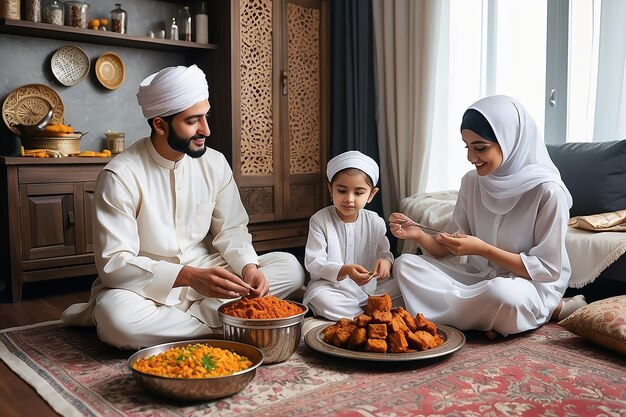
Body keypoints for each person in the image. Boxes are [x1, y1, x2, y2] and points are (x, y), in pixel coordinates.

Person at [61, 65, 305, 349]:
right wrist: (188, 277)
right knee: (117, 319)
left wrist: (249, 267)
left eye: (205, 116)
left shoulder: (214, 163)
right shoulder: (120, 176)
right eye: (193, 121)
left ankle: (182, 325)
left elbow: (232, 229)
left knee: (290, 267)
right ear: (160, 124)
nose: (206, 129)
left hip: (208, 269)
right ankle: (227, 324)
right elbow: (115, 264)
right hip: (144, 287)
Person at [389, 95, 586, 338]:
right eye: (467, 146)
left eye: (480, 147)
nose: (471, 157)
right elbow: (451, 249)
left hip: (523, 286)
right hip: (477, 279)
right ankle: (486, 319)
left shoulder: (547, 192)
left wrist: (483, 249)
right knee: (405, 265)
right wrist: (418, 234)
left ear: (510, 141)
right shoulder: (472, 182)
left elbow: (547, 270)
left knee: (502, 294)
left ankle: (530, 308)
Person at [303, 150, 402, 321]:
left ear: (371, 194)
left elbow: (383, 251)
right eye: (342, 191)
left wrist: (386, 261)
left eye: (358, 193)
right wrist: (345, 270)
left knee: (402, 288)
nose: (349, 199)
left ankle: (361, 314)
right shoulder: (320, 220)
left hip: (372, 288)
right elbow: (314, 263)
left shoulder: (375, 221)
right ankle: (371, 316)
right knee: (320, 298)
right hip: (332, 287)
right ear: (330, 189)